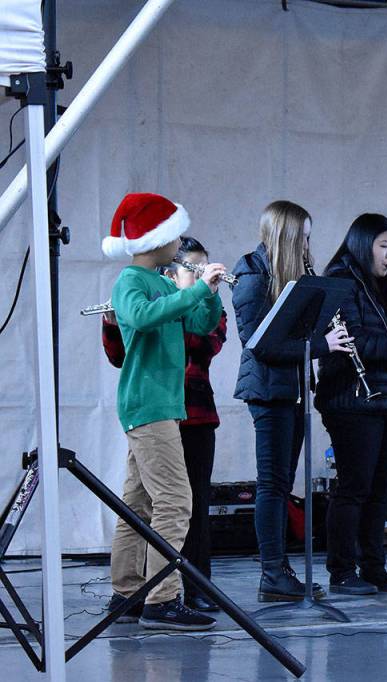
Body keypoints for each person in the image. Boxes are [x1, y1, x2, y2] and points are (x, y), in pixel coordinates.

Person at [101, 192, 224, 630]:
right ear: (158, 238)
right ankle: (162, 598)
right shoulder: (131, 281)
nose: (180, 245)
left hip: (163, 405)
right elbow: (142, 317)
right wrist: (191, 291)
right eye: (175, 236)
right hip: (148, 404)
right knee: (175, 500)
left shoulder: (164, 282)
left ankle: (127, 593)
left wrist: (208, 293)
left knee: (136, 504)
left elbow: (201, 325)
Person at [232, 200, 352, 601]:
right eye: (303, 238)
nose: (307, 246)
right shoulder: (251, 275)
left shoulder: (294, 275)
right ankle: (272, 573)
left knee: (282, 483)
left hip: (293, 389)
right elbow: (260, 344)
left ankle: (280, 570)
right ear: (286, 237)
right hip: (268, 392)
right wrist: (322, 345)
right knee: (272, 483)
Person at [315, 214, 387, 595]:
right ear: (363, 244)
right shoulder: (341, 280)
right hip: (352, 398)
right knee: (353, 487)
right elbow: (353, 341)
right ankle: (341, 570)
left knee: (380, 490)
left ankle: (374, 566)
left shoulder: (386, 284)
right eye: (383, 246)